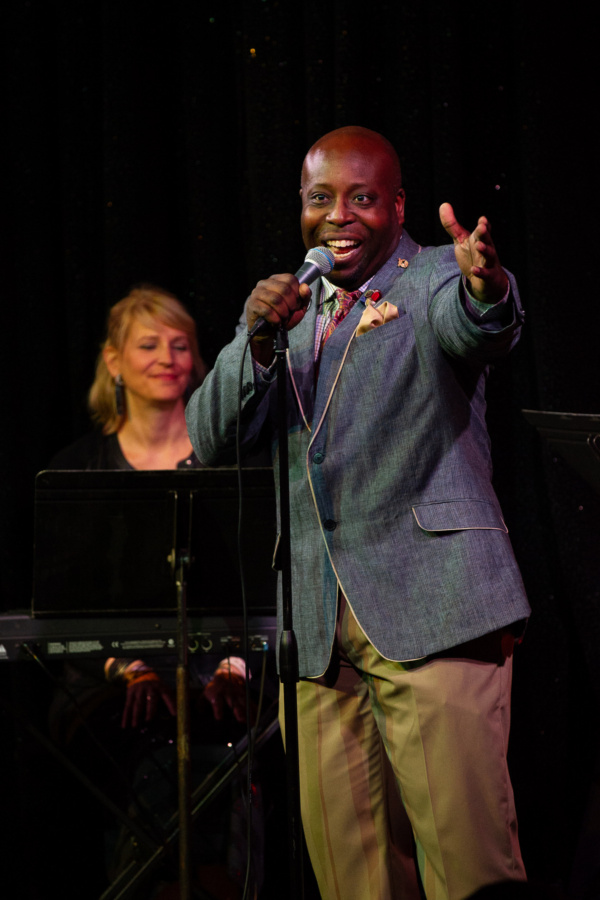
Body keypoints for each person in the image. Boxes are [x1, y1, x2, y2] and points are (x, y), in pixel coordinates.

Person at [185, 126, 532, 900]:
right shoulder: (288, 309)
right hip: (315, 637)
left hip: (435, 607)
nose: (339, 216)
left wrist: (487, 289)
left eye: (362, 198)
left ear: (397, 206)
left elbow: (479, 324)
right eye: (320, 199)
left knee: (469, 871)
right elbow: (209, 435)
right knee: (351, 880)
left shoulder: (435, 278)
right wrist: (258, 340)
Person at [33, 285, 261, 899]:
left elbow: (260, 584)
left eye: (180, 345)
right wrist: (125, 667)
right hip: (108, 680)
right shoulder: (78, 468)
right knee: (149, 733)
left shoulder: (232, 464)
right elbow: (59, 611)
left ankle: (230, 884)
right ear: (114, 362)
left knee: (243, 735)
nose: (167, 357)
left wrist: (235, 662)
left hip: (222, 668)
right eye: (149, 344)